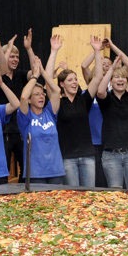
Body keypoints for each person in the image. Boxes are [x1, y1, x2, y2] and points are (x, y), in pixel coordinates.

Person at [46, 34, 104, 187]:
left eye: (76, 79)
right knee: (73, 196)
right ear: (62, 84)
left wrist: (97, 52)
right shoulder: (58, 101)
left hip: (87, 156)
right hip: (67, 158)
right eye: (70, 80)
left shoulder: (84, 99)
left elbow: (97, 78)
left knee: (88, 196)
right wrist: (54, 51)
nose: (75, 82)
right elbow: (47, 80)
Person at [0, 29, 36, 180]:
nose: (15, 59)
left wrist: (28, 49)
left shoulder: (20, 75)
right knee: (3, 171)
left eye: (17, 57)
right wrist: (5, 49)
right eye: (11, 56)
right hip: (3, 131)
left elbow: (35, 71)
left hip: (21, 130)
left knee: (27, 170)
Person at [96, 63, 128, 189]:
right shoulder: (106, 99)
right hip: (111, 155)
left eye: (123, 77)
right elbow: (100, 91)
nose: (120, 79)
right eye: (116, 77)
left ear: (127, 82)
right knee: (115, 193)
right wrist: (111, 69)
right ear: (111, 81)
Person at [17, 76, 66, 185]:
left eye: (42, 94)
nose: (41, 97)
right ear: (30, 99)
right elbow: (23, 97)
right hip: (36, 174)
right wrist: (34, 76)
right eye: (37, 94)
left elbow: (57, 91)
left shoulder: (50, 112)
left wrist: (43, 73)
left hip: (55, 171)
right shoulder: (26, 117)